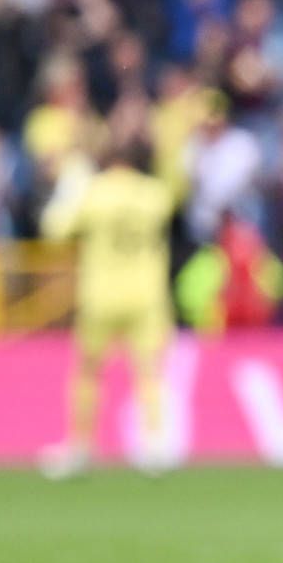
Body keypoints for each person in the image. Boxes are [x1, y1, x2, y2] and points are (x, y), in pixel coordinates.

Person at [38, 138, 183, 477]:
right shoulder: (154, 194)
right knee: (150, 372)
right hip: (147, 294)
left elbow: (54, 230)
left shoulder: (93, 191)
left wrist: (70, 184)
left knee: (88, 371)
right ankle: (155, 447)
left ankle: (80, 447)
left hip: (100, 294)